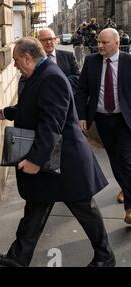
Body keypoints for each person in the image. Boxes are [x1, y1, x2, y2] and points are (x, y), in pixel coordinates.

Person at [0, 37, 115, 267]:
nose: (15, 65)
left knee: (84, 209)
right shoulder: (41, 74)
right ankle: (18, 258)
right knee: (36, 206)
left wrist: (35, 160)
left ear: (28, 58)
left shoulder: (51, 77)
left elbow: (51, 124)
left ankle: (105, 257)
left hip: (67, 162)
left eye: (16, 60)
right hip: (53, 159)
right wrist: (9, 112)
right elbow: (34, 107)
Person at [77, 28, 131, 225]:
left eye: (104, 42)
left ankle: (130, 208)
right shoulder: (91, 62)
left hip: (124, 120)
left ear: (117, 43)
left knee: (125, 160)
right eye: (99, 41)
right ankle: (126, 189)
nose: (99, 45)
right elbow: (82, 91)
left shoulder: (128, 61)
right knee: (115, 162)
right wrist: (82, 116)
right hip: (101, 120)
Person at [38, 28, 80, 93]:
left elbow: (77, 77)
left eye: (51, 39)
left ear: (55, 40)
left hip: (65, 96)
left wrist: (60, 82)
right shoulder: (35, 60)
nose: (48, 42)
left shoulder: (68, 56)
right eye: (45, 40)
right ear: (39, 42)